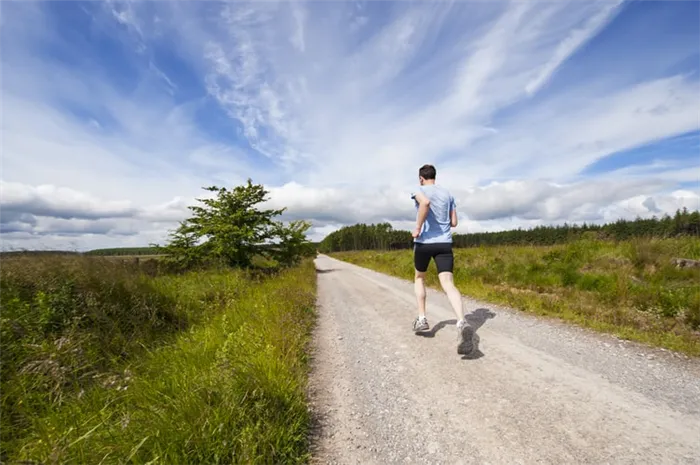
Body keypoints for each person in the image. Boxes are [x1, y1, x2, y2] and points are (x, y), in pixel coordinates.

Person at [410, 164, 473, 354]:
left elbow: (425, 203)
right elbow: (454, 222)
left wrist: (418, 228)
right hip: (444, 244)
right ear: (434, 177)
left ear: (421, 178)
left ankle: (422, 319)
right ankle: (462, 322)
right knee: (448, 283)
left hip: (424, 243)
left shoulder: (418, 190)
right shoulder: (448, 194)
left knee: (420, 277)